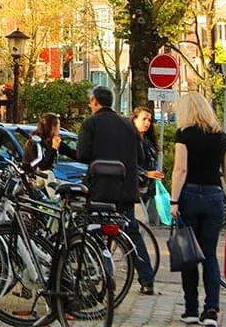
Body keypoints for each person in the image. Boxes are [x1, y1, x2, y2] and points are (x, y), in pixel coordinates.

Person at [170, 91, 226, 327]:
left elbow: (180, 170)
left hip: (190, 195)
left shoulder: (184, 134)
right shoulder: (221, 137)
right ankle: (211, 310)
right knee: (210, 255)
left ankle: (190, 309)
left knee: (189, 254)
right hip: (214, 197)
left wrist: (173, 201)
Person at [76, 85, 154, 295]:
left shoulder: (90, 123)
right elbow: (140, 156)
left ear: (94, 102)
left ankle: (95, 275)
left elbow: (83, 155)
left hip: (100, 190)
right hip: (125, 189)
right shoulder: (128, 126)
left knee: (92, 232)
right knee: (132, 234)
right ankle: (147, 279)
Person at [132, 106, 164, 222]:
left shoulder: (148, 141)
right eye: (144, 119)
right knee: (142, 221)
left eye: (149, 120)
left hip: (146, 188)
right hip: (133, 187)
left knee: (140, 222)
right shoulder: (130, 139)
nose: (147, 123)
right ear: (134, 119)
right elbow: (128, 163)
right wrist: (146, 173)